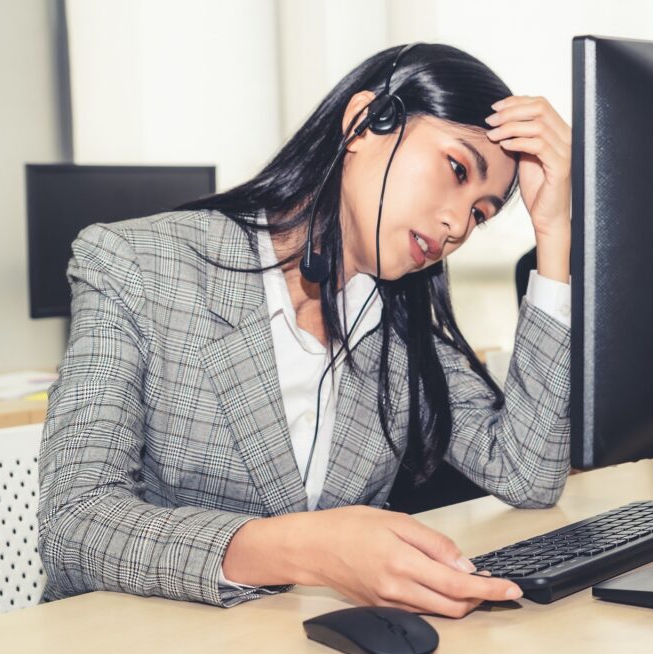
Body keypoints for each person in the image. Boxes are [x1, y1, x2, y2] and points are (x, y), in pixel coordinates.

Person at [38, 42, 574, 618]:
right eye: (456, 170)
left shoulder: (397, 322)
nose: (455, 225)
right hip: (131, 648)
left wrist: (555, 232)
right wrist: (307, 549)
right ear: (365, 123)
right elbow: (76, 521)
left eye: (480, 213)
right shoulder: (137, 264)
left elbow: (527, 473)